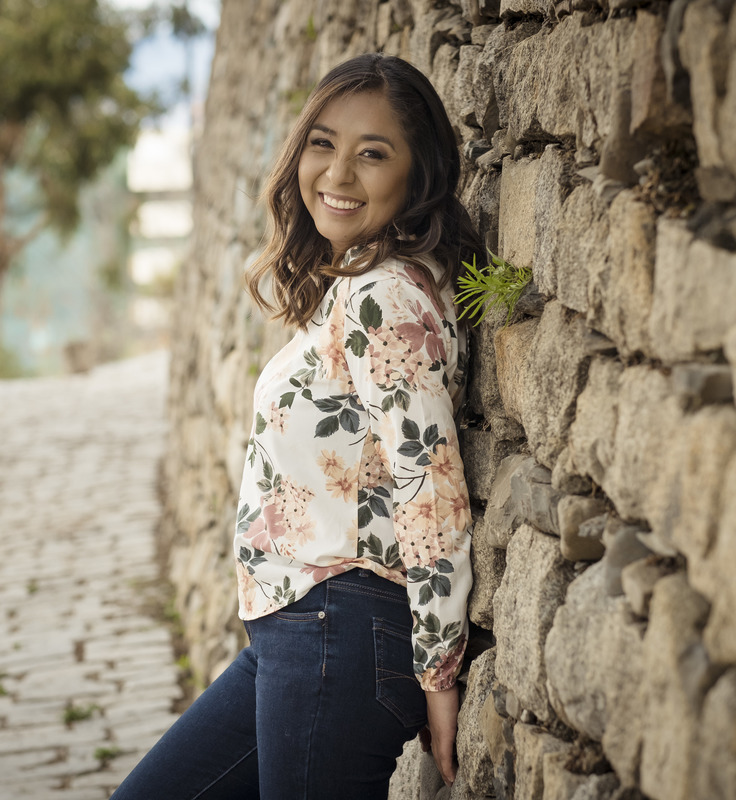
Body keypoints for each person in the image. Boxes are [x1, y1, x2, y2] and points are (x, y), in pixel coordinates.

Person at [112, 52, 481, 800]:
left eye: (373, 154)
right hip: (301, 634)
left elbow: (429, 484)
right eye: (324, 144)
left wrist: (440, 672)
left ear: (419, 174)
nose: (338, 175)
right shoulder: (358, 287)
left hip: (339, 632)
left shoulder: (382, 298)